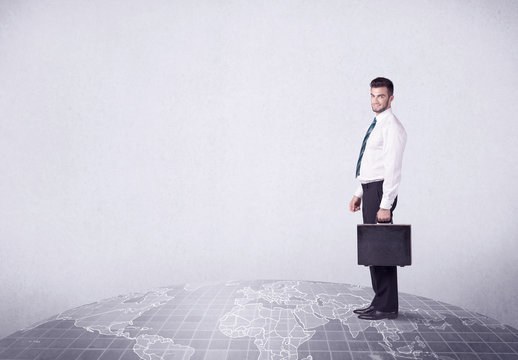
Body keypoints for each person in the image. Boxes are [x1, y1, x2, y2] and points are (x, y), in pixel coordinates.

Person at [349, 77, 407, 320]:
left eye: (381, 96)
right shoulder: (377, 124)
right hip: (371, 190)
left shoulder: (392, 126)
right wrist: (359, 192)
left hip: (381, 193)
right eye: (373, 96)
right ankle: (379, 301)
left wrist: (385, 204)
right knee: (374, 250)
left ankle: (387, 306)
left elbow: (392, 169)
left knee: (381, 250)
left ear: (391, 98)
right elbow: (373, 164)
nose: (376, 100)